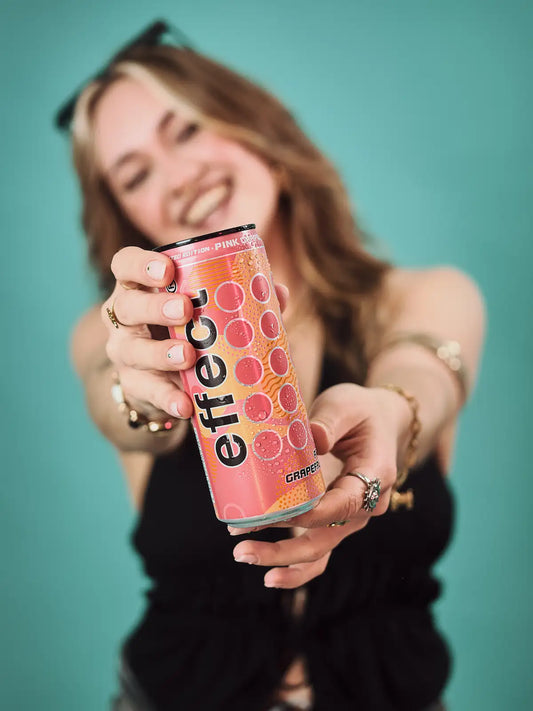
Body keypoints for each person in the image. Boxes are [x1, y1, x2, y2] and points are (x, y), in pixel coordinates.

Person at [60, 21, 486, 711]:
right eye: (135, 175)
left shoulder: (426, 295)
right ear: (130, 219)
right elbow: (114, 400)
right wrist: (143, 383)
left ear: (263, 132)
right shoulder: (113, 332)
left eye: (187, 130)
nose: (179, 178)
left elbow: (427, 372)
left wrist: (393, 411)